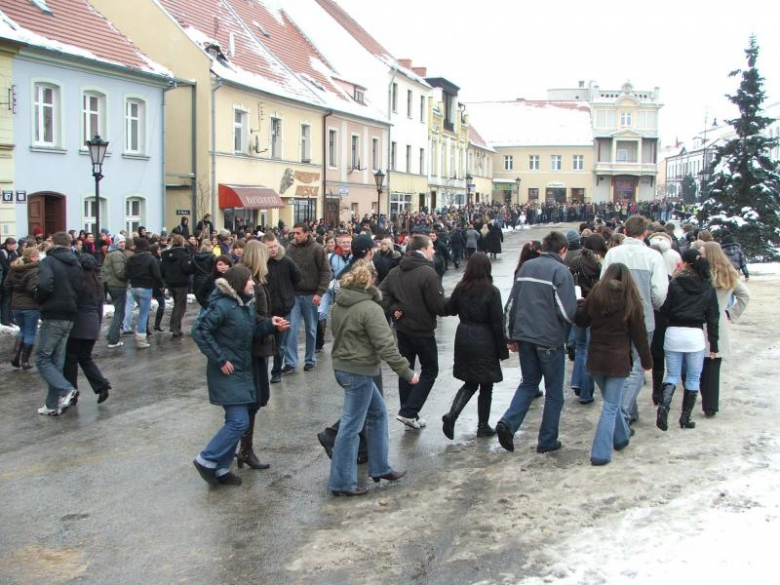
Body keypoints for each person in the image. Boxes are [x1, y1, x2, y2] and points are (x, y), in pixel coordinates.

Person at [191, 265, 289, 487]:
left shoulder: (244, 305)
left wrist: (271, 325)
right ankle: (206, 459)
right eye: (249, 280)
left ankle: (221, 468)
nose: (253, 283)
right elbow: (199, 331)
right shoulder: (222, 305)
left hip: (242, 369)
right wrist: (220, 359)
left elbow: (251, 332)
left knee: (236, 421)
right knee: (239, 422)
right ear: (238, 283)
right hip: (227, 371)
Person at [328, 260, 417, 496]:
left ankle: (379, 468)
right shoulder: (370, 309)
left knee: (377, 414)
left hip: (344, 368)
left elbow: (337, 334)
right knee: (351, 427)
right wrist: (407, 372)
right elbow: (386, 346)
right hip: (359, 371)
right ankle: (342, 482)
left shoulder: (339, 304)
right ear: (371, 281)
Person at [495, 231, 576, 453]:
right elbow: (567, 312)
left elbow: (510, 305)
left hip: (525, 337)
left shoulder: (526, 267)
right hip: (549, 339)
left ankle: (508, 422)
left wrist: (510, 336)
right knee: (554, 392)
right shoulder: (561, 271)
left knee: (529, 383)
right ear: (563, 250)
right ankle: (547, 440)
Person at [575, 263, 652, 465]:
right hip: (617, 361)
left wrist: (581, 304)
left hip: (596, 360)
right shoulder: (630, 300)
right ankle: (600, 453)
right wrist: (646, 361)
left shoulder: (596, 295)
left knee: (612, 402)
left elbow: (581, 321)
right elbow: (640, 336)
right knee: (610, 406)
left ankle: (621, 438)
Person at [601, 215, 668, 427]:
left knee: (622, 365)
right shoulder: (652, 257)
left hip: (616, 318)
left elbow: (602, 285)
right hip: (643, 317)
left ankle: (629, 410)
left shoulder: (613, 254)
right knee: (637, 366)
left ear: (625, 232)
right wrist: (651, 304)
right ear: (645, 233)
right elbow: (659, 293)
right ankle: (622, 414)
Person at [380, 234, 447, 430]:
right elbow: (438, 305)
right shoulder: (427, 273)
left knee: (406, 369)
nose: (434, 250)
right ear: (423, 249)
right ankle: (408, 411)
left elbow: (381, 295)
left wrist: (394, 309)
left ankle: (408, 413)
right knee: (430, 370)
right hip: (422, 330)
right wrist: (453, 305)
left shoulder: (395, 271)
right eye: (431, 247)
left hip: (403, 329)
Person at [441, 252, 508, 440]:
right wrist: (502, 350)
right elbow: (497, 323)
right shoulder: (492, 292)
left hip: (463, 337)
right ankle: (482, 425)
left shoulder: (461, 288)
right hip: (484, 339)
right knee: (486, 384)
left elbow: (449, 309)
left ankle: (452, 414)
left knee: (470, 382)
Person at [656, 249, 719, 431]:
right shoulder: (707, 286)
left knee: (672, 375)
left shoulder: (675, 283)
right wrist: (714, 344)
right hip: (695, 336)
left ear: (685, 263)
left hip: (673, 333)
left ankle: (663, 409)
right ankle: (685, 417)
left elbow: (665, 309)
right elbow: (713, 318)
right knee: (693, 377)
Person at [34, 232, 84, 416]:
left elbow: (44, 285)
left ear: (53, 243)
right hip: (69, 314)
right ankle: (52, 404)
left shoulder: (48, 261)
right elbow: (80, 288)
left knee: (42, 358)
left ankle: (66, 389)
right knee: (56, 360)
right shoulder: (75, 262)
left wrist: (39, 300)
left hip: (54, 313)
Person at [699, 242, 750, 417]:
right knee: (713, 365)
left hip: (700, 320)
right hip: (718, 320)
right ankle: (710, 404)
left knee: (702, 363)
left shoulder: (702, 273)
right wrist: (731, 313)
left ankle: (707, 400)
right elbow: (745, 295)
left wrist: (730, 313)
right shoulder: (728, 273)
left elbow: (745, 295)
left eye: (702, 253)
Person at [238, 241, 275, 470]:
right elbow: (251, 318)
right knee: (252, 400)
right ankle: (244, 450)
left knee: (255, 399)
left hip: (257, 347)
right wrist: (272, 324)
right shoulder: (251, 283)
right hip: (253, 349)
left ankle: (244, 449)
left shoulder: (255, 281)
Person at [63, 255, 111, 404]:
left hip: (78, 323)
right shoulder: (97, 283)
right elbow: (99, 307)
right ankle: (101, 385)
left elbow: (71, 303)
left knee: (70, 359)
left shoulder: (77, 282)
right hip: (92, 323)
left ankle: (72, 392)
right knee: (85, 357)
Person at [284, 223, 331, 373]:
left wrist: (320, 292)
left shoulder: (317, 249)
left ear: (306, 233)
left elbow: (326, 272)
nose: (295, 236)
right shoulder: (289, 249)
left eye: (298, 233)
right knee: (291, 328)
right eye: (294, 233)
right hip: (294, 295)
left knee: (311, 329)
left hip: (311, 295)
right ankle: (290, 362)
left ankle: (310, 359)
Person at [568, 233, 607, 403]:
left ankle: (578, 383)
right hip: (595, 309)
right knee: (589, 351)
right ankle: (586, 392)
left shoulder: (576, 261)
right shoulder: (602, 264)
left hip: (579, 306)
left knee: (581, 348)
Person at [263, 232, 301, 384]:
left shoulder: (286, 261)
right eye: (270, 247)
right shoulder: (261, 263)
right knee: (264, 345)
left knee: (280, 345)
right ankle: (262, 373)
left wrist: (288, 293)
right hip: (265, 311)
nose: (273, 250)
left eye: (275, 246)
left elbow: (297, 277)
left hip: (284, 309)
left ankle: (277, 372)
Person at [125, 237, 163, 349]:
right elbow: (157, 275)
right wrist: (160, 286)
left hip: (134, 287)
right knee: (143, 314)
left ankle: (140, 334)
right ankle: (141, 339)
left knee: (141, 311)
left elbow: (126, 273)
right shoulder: (151, 259)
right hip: (146, 287)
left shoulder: (131, 258)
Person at [5, 247, 40, 369]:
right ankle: (25, 361)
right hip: (30, 305)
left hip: (16, 304)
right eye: (37, 256)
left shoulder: (14, 268)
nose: (39, 258)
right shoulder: (34, 269)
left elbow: (7, 285)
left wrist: (15, 293)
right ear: (31, 257)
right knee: (30, 332)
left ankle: (15, 357)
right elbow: (32, 288)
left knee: (22, 330)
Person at [160, 234, 193, 338]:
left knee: (177, 304)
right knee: (181, 305)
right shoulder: (184, 254)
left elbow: (162, 269)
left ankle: (174, 325)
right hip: (181, 282)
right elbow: (187, 269)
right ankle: (175, 327)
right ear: (182, 242)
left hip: (170, 282)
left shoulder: (165, 254)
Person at [102, 235, 130, 348]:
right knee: (119, 313)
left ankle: (111, 335)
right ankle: (113, 339)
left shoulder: (110, 253)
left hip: (111, 284)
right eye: (120, 242)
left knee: (118, 312)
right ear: (116, 243)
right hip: (118, 285)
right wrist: (129, 275)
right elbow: (120, 272)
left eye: (123, 242)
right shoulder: (118, 255)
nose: (122, 244)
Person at [0, 236, 19, 325]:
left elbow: (18, 264)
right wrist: (13, 267)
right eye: (12, 244)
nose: (14, 246)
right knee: (6, 299)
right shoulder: (2, 253)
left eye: (14, 244)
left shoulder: (15, 253)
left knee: (12, 300)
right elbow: (5, 267)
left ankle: (11, 318)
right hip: (5, 280)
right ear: (7, 244)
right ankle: (4, 319)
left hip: (13, 280)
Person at [192, 242, 215, 310]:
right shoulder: (212, 256)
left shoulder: (195, 257)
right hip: (208, 279)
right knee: (208, 300)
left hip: (197, 280)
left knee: (201, 300)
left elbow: (191, 268)